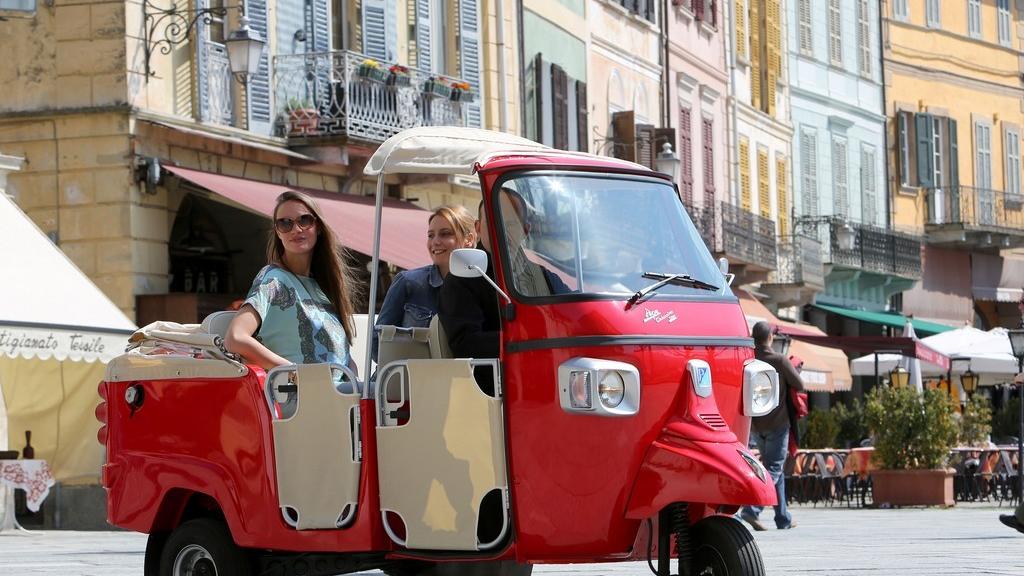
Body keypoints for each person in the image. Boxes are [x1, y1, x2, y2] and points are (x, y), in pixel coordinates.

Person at [225, 190, 359, 379]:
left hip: (341, 397)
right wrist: (294, 372)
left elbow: (342, 355)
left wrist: (354, 383)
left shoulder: (325, 287)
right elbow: (235, 338)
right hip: (297, 400)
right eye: (285, 223)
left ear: (318, 226)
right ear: (278, 232)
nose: (296, 229)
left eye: (304, 220)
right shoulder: (273, 279)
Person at [438, 189, 568, 359]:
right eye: (493, 222)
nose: (501, 231)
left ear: (526, 230)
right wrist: (528, 336)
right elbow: (466, 344)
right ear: (477, 228)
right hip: (495, 382)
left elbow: (574, 315)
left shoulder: (545, 278)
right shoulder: (463, 278)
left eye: (511, 224)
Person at [371, 204, 477, 362]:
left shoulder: (484, 288)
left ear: (469, 239)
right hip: (406, 382)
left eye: (445, 234)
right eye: (430, 235)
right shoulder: (408, 282)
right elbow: (376, 346)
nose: (435, 242)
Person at [740, 321, 804, 532]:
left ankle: (783, 517)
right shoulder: (779, 360)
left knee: (773, 469)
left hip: (757, 425)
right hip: (778, 424)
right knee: (774, 469)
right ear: (770, 338)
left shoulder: (748, 361)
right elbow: (800, 385)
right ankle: (752, 509)